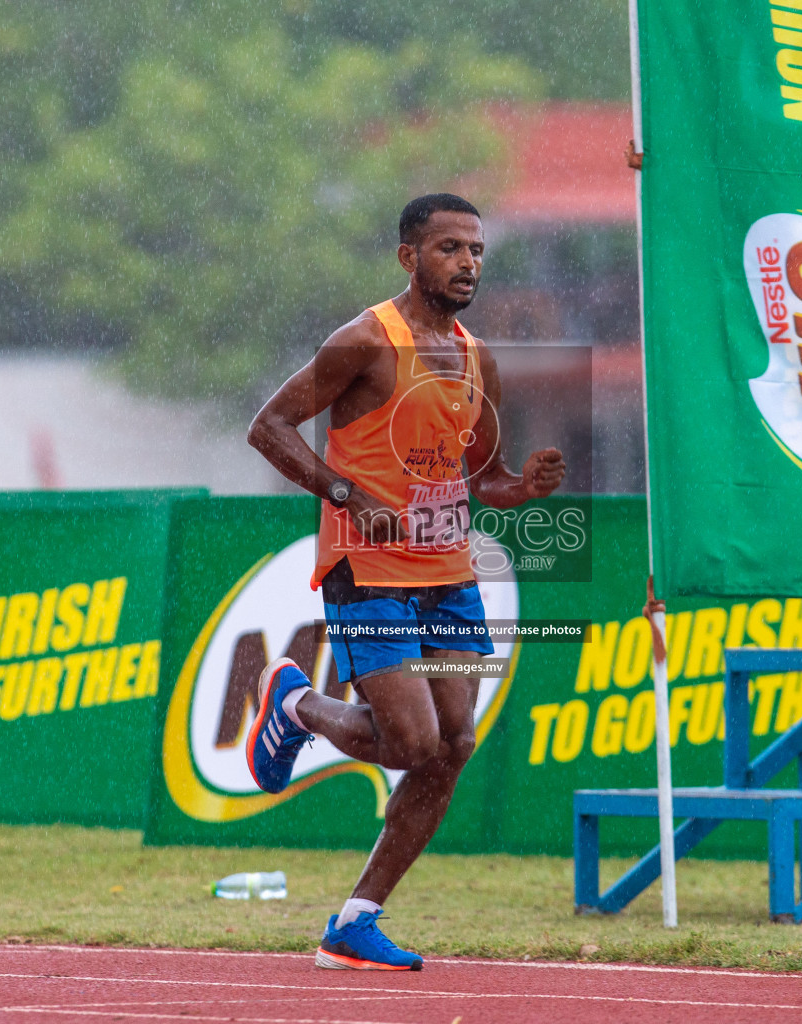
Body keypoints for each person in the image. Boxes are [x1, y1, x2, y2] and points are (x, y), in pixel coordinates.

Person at [246, 193, 565, 970]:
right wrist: (352, 496)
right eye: (451, 248)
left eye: (478, 251)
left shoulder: (476, 358)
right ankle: (293, 702)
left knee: (452, 744)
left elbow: (482, 477)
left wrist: (522, 489)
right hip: (368, 569)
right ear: (409, 257)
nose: (467, 264)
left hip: (449, 574)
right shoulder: (366, 341)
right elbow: (268, 427)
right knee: (412, 742)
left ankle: (354, 921)